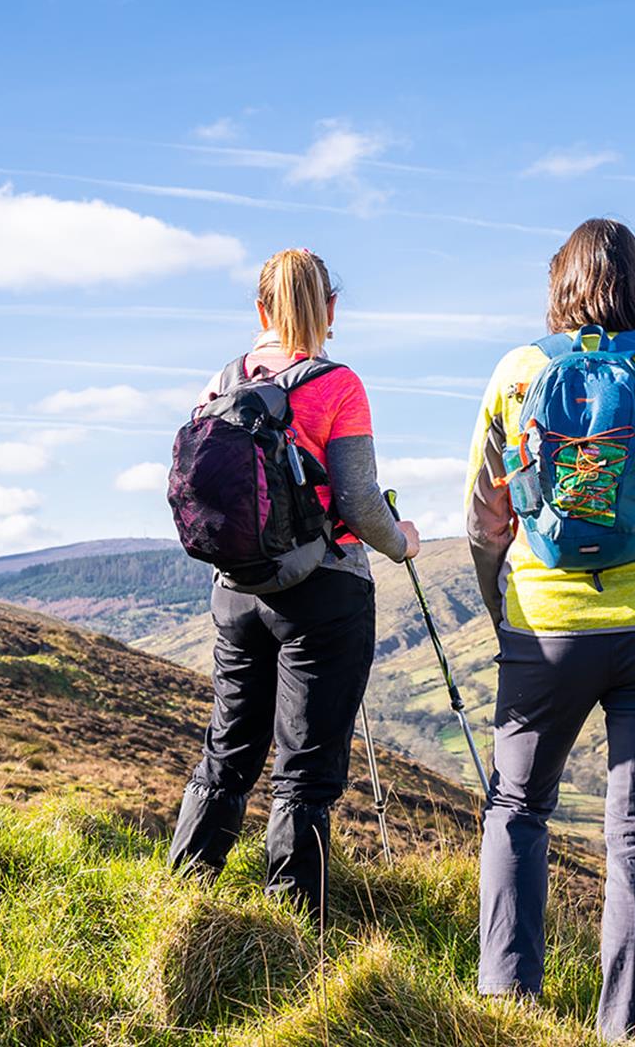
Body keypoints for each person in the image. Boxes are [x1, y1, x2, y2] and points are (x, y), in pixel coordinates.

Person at [465, 219, 635, 1038]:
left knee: (517, 805)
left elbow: (484, 520)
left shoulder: (517, 373)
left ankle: (507, 1003)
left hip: (544, 627)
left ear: (561, 283)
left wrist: (506, 614)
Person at [168, 247, 421, 916]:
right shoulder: (338, 385)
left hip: (235, 592)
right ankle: (289, 930)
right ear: (331, 310)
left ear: (260, 310)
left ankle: (179, 899)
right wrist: (404, 542)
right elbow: (361, 503)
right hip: (323, 594)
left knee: (226, 755)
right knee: (303, 776)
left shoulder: (217, 385)